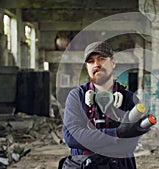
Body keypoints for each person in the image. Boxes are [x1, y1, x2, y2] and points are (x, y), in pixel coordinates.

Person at [61, 41, 150, 169]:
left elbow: (129, 145)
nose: (96, 64)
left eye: (101, 59)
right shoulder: (76, 97)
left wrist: (89, 137)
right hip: (83, 165)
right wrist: (117, 133)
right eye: (91, 61)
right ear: (87, 67)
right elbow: (71, 138)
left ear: (113, 63)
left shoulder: (129, 99)